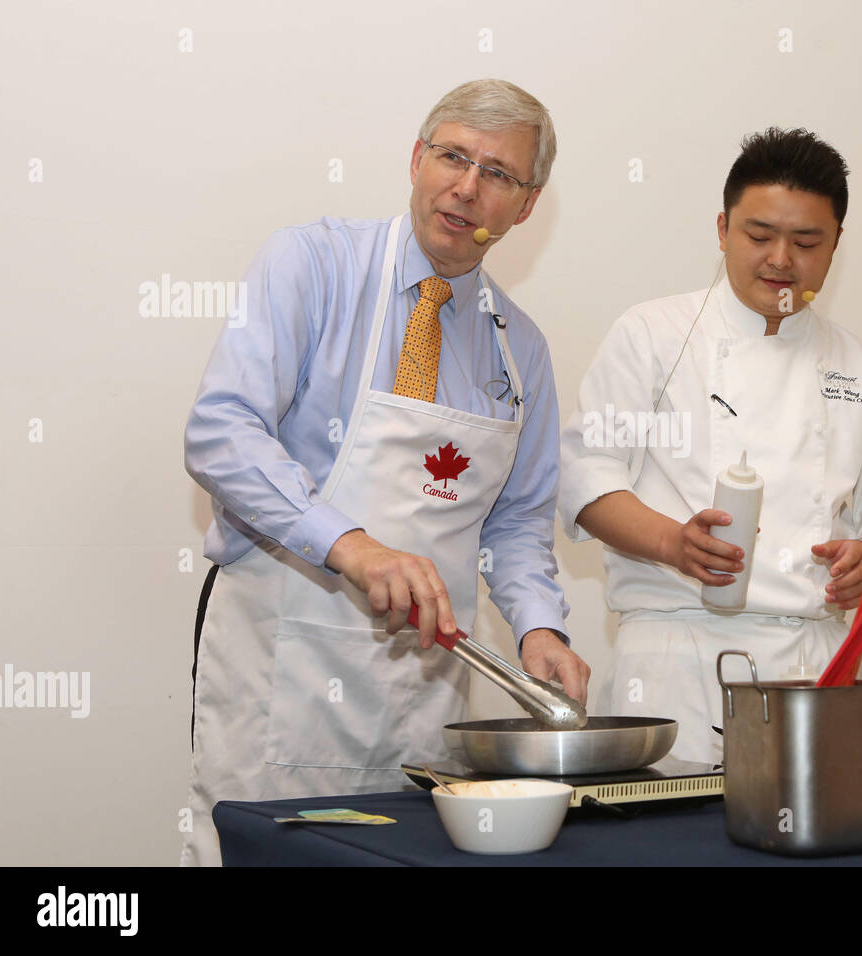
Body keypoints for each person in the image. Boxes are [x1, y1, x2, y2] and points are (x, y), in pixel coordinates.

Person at [181, 79, 590, 866]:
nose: (467, 188)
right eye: (452, 157)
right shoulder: (313, 264)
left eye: (498, 175)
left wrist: (540, 626)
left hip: (420, 699)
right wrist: (353, 546)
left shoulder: (521, 350)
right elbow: (221, 432)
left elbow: (515, 522)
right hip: (282, 674)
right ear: (416, 158)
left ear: (527, 205)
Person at [557, 128, 862, 763]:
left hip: (819, 666)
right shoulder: (653, 333)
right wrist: (675, 542)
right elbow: (587, 479)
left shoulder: (860, 365)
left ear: (836, 244)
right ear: (723, 228)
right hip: (679, 662)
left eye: (807, 242)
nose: (781, 260)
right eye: (759, 236)